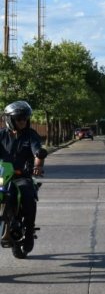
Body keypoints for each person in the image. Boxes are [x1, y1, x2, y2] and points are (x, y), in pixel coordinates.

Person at [0, 101, 45, 253]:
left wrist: (38, 166)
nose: (23, 122)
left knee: (28, 196)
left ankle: (29, 233)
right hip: (2, 176)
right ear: (10, 120)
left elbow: (37, 151)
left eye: (25, 118)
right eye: (19, 119)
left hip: (21, 176)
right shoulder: (1, 135)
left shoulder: (30, 135)